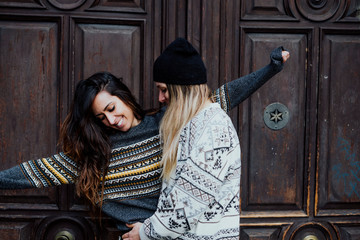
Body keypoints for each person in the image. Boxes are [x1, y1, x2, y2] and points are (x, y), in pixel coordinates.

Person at [0, 40, 289, 233]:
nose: (111, 120)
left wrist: (271, 68)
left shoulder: (169, 123)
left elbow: (222, 96)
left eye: (112, 108)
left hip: (173, 233)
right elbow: (38, 171)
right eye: (101, 118)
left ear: (123, 97)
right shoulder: (96, 151)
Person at [123, 37, 241, 240]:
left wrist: (144, 232)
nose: (160, 98)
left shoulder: (213, 129)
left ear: (182, 88)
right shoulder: (195, 123)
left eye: (164, 89)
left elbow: (185, 208)